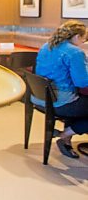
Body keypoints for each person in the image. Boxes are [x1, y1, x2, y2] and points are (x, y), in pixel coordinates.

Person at [35, 20, 88, 158]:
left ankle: (66, 139)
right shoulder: (75, 52)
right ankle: (66, 134)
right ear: (76, 36)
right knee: (80, 103)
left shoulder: (47, 46)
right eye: (84, 38)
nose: (84, 42)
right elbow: (82, 82)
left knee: (81, 103)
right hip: (60, 102)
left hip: (40, 98)